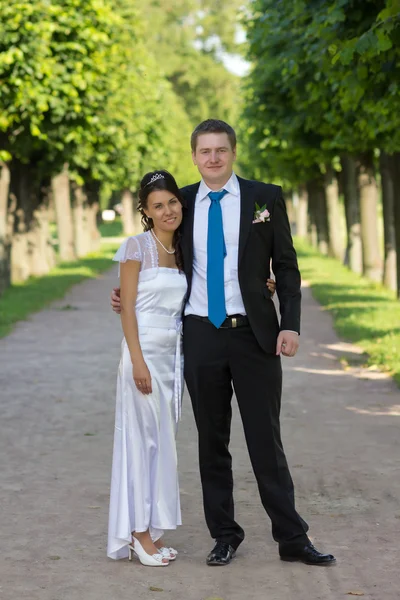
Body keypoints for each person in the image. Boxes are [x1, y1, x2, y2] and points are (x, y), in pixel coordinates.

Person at [111, 119, 335, 567]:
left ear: (233, 152)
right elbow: (157, 259)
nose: (212, 158)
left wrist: (289, 322)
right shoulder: (183, 203)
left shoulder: (264, 198)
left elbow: (286, 266)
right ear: (193, 156)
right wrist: (127, 294)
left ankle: (292, 537)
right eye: (204, 151)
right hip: (200, 336)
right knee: (212, 441)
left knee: (265, 439)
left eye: (221, 150)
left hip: (254, 335)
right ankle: (225, 535)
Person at [107, 170, 187, 566]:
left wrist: (266, 284)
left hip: (174, 357)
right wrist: (137, 360)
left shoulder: (187, 248)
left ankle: (152, 530)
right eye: (158, 205)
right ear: (145, 211)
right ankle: (138, 535)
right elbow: (129, 310)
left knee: (162, 444)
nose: (168, 210)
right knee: (140, 443)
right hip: (142, 355)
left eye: (172, 201)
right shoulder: (136, 247)